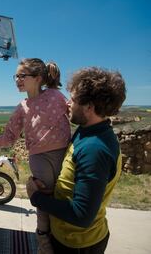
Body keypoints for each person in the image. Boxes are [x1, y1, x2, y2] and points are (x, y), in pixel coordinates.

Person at [26, 67, 126, 254]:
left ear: (89, 106)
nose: (67, 103)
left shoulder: (95, 149)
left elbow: (81, 215)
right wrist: (51, 193)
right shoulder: (87, 131)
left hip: (78, 244)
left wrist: (36, 197)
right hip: (68, 236)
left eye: (72, 99)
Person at [0, 58, 71, 254]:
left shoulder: (55, 95)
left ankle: (65, 241)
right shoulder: (22, 106)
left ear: (38, 78)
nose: (17, 80)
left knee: (65, 196)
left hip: (64, 153)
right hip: (39, 158)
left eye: (22, 76)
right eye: (16, 76)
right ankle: (45, 244)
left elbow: (75, 113)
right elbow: (10, 136)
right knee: (43, 199)